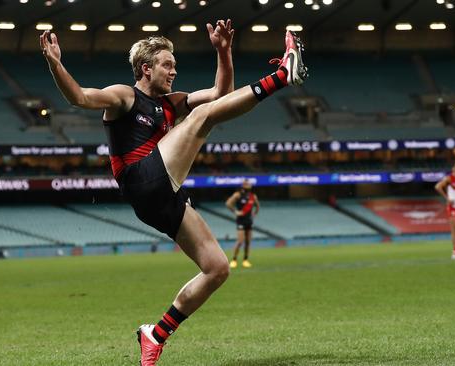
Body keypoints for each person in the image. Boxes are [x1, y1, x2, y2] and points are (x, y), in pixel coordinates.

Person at [41, 20, 307, 365]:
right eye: (167, 64)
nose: (173, 71)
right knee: (200, 117)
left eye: (175, 66)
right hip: (141, 179)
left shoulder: (171, 103)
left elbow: (221, 96)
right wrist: (55, 62)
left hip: (163, 197)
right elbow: (79, 97)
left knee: (217, 268)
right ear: (145, 68)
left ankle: (156, 334)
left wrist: (223, 52)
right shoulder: (125, 96)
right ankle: (282, 76)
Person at [226, 180, 259, 268]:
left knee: (248, 242)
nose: (249, 185)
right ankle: (234, 260)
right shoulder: (238, 195)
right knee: (240, 241)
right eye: (247, 183)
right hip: (240, 221)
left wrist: (254, 214)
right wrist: (235, 212)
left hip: (249, 221)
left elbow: (258, 206)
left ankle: (245, 260)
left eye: (249, 184)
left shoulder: (253, 196)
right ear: (243, 185)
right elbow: (228, 203)